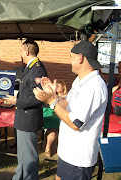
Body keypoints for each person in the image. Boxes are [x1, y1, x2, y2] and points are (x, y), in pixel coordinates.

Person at [33, 41, 108, 180]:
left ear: (80, 57)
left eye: (70, 57)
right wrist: (52, 94)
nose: (70, 61)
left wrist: (51, 102)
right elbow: (66, 103)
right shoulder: (80, 81)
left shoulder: (94, 86)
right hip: (68, 153)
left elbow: (76, 123)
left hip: (79, 158)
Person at [3, 39, 47, 180]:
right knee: (22, 153)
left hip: (29, 118)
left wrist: (17, 101)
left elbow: (39, 96)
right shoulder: (30, 67)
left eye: (21, 50)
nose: (20, 53)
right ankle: (19, 176)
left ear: (27, 51)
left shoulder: (37, 68)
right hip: (24, 117)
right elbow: (23, 86)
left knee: (29, 155)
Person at [44, 79, 67, 157]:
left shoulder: (68, 96)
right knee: (53, 131)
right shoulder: (53, 96)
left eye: (58, 86)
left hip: (64, 117)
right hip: (53, 116)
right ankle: (48, 147)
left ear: (63, 87)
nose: (56, 87)